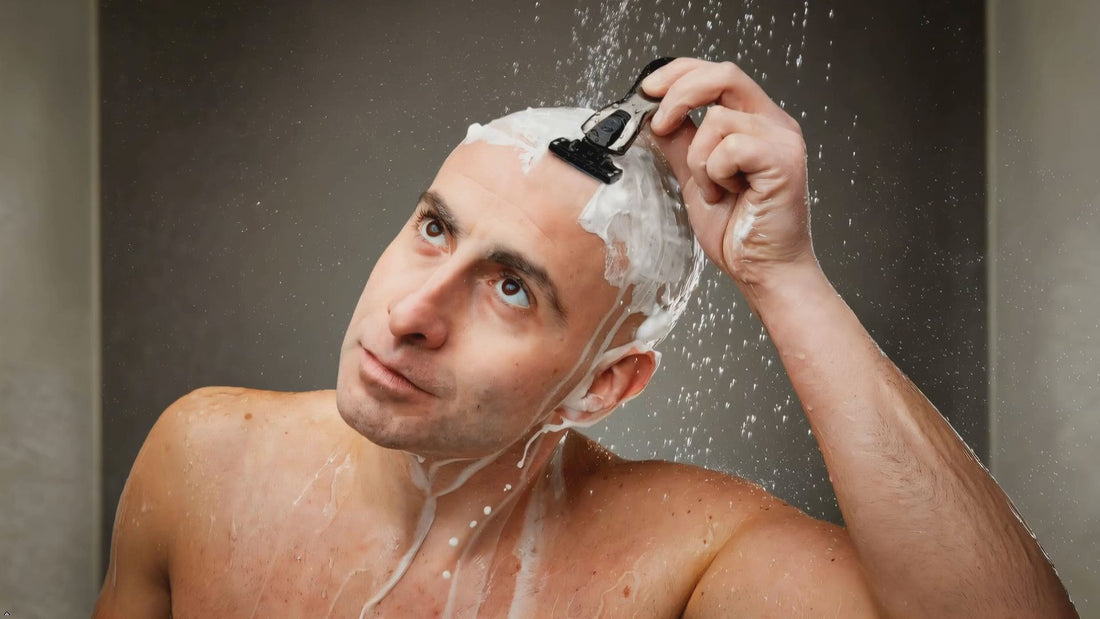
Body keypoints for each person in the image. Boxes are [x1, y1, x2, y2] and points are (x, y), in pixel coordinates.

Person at [93, 58, 1076, 618]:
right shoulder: (203, 458)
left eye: (510, 287)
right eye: (433, 228)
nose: (408, 313)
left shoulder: (685, 562)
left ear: (604, 385)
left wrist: (786, 279)